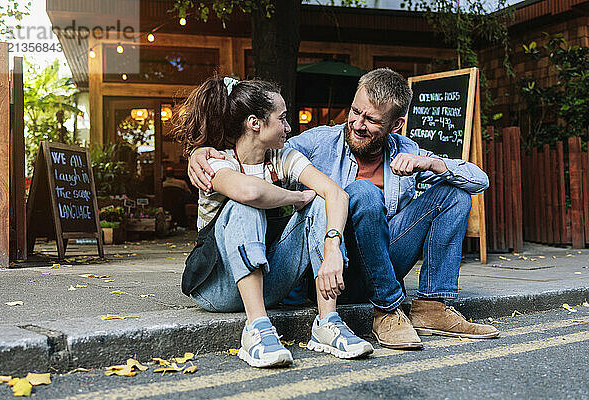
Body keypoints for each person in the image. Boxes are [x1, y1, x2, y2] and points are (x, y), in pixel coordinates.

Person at [188, 68, 500, 350]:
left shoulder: (407, 151)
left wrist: (432, 162)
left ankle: (433, 306)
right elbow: (259, 148)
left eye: (373, 120)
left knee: (456, 196)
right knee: (359, 192)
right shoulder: (318, 142)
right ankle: (388, 310)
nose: (358, 125)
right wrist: (200, 153)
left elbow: (480, 181)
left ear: (397, 124)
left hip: (383, 260)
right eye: (355, 112)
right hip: (335, 270)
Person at [174, 76, 373, 368]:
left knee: (319, 201)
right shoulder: (216, 161)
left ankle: (327, 322)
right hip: (217, 287)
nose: (288, 127)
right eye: (281, 119)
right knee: (246, 206)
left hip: (270, 280)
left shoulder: (283, 157)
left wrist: (332, 248)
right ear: (255, 123)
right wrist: (294, 198)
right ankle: (257, 328)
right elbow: (249, 191)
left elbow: (337, 194)